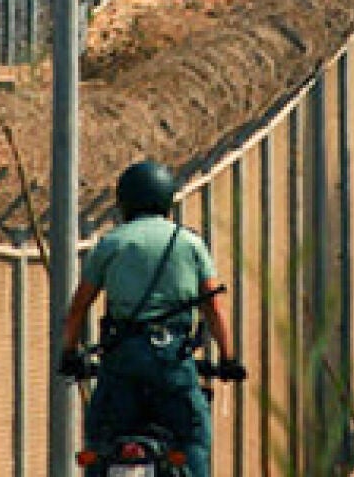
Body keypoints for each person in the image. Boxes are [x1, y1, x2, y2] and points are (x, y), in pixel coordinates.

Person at [60, 160, 245, 477]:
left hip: (121, 359)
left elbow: (78, 306)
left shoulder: (112, 243)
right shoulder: (189, 243)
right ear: (167, 199)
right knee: (193, 440)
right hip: (171, 361)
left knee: (101, 441)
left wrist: (69, 353)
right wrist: (228, 359)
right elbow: (214, 308)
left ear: (123, 202)